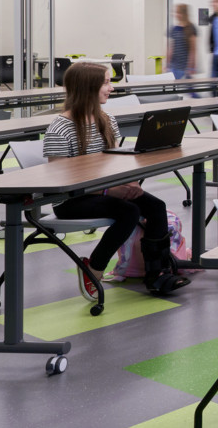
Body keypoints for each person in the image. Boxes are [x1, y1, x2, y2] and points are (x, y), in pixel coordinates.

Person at [45, 63, 187, 301]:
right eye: (107, 83)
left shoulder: (106, 119)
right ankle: (94, 269)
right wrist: (109, 190)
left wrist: (131, 183)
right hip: (72, 199)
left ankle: (157, 273)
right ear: (88, 88)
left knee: (156, 207)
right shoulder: (60, 128)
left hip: (104, 190)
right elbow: (61, 181)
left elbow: (116, 161)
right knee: (129, 212)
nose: (111, 88)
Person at [168, 3, 196, 80]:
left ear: (184, 14)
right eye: (176, 13)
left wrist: (191, 67)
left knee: (189, 89)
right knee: (173, 88)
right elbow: (171, 47)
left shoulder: (190, 28)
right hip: (174, 65)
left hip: (185, 66)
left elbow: (193, 50)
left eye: (178, 13)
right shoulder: (174, 28)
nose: (176, 15)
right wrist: (168, 63)